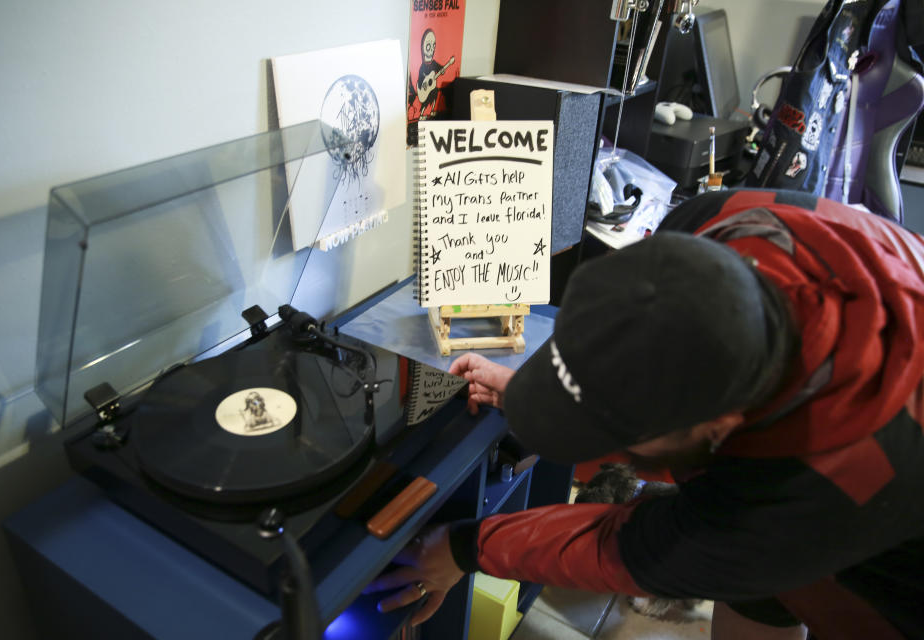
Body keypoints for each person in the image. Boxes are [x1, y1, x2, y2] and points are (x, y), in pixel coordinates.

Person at [365, 190, 924, 638]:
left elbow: (622, 548)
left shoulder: (798, 501)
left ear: (721, 430)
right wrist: (546, 390)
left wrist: (463, 547)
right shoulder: (715, 219)